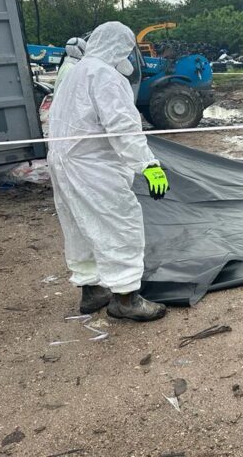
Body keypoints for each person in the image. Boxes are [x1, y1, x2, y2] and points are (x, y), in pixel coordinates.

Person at [47, 21, 169, 322]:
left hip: (63, 161)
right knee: (120, 223)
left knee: (79, 224)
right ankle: (126, 298)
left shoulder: (75, 71)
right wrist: (149, 166)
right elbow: (123, 128)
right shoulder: (106, 76)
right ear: (119, 47)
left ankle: (92, 291)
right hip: (93, 165)